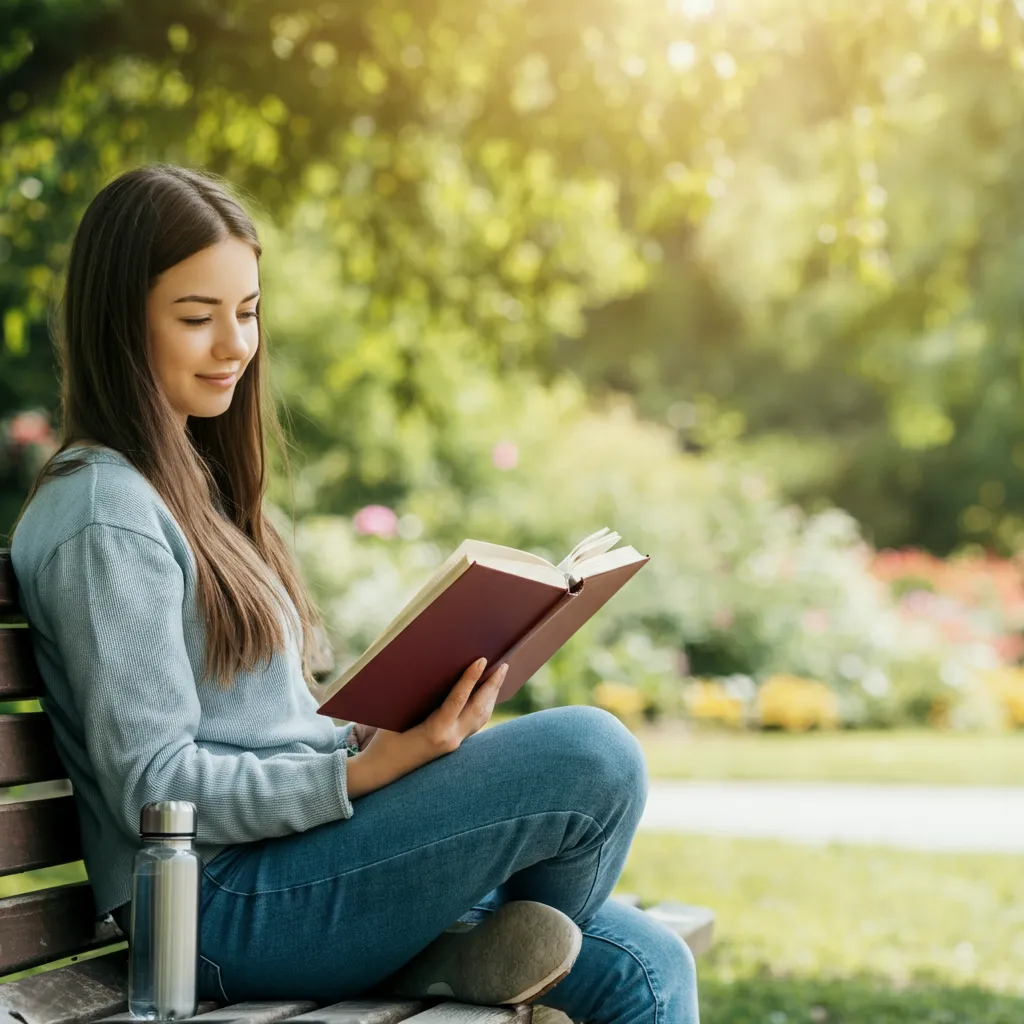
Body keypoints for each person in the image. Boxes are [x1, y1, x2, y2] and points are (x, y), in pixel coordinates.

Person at [8, 163, 700, 1023]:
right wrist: (368, 772)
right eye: (197, 317)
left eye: (249, 312)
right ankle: (448, 944)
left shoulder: (193, 489)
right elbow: (158, 790)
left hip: (296, 864)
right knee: (592, 757)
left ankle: (453, 944)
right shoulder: (105, 512)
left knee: (647, 964)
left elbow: (255, 731)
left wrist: (373, 729)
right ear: (120, 324)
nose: (235, 345)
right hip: (217, 909)